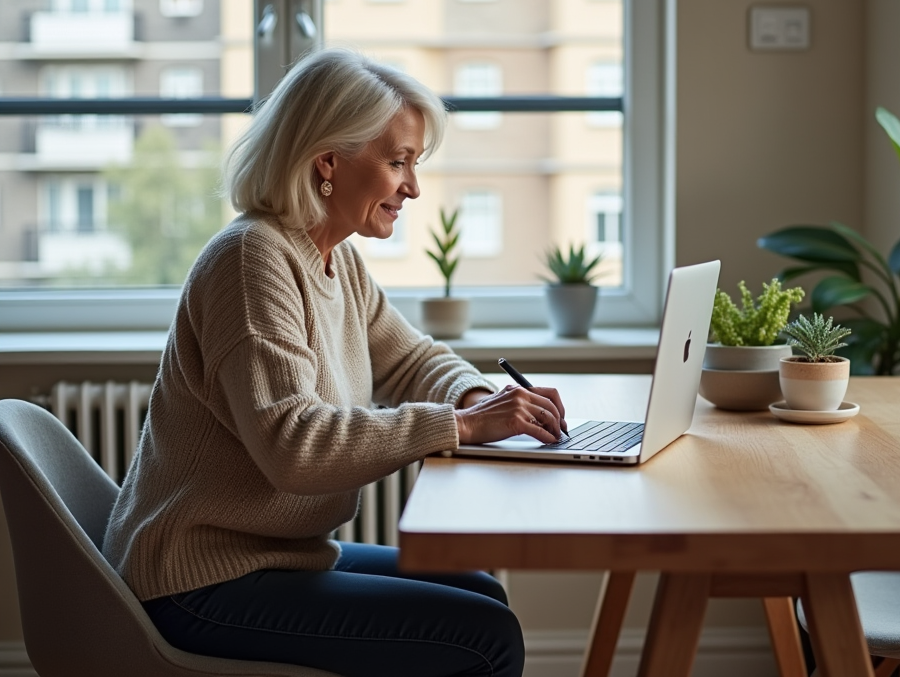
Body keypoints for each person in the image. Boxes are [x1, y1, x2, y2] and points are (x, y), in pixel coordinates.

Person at [102, 48, 568, 677]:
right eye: (397, 162)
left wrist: (472, 398)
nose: (412, 187)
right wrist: (459, 427)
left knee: (482, 593)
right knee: (485, 637)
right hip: (202, 579)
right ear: (328, 162)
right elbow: (294, 446)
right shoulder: (252, 261)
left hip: (283, 553)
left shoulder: (332, 257)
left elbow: (409, 359)